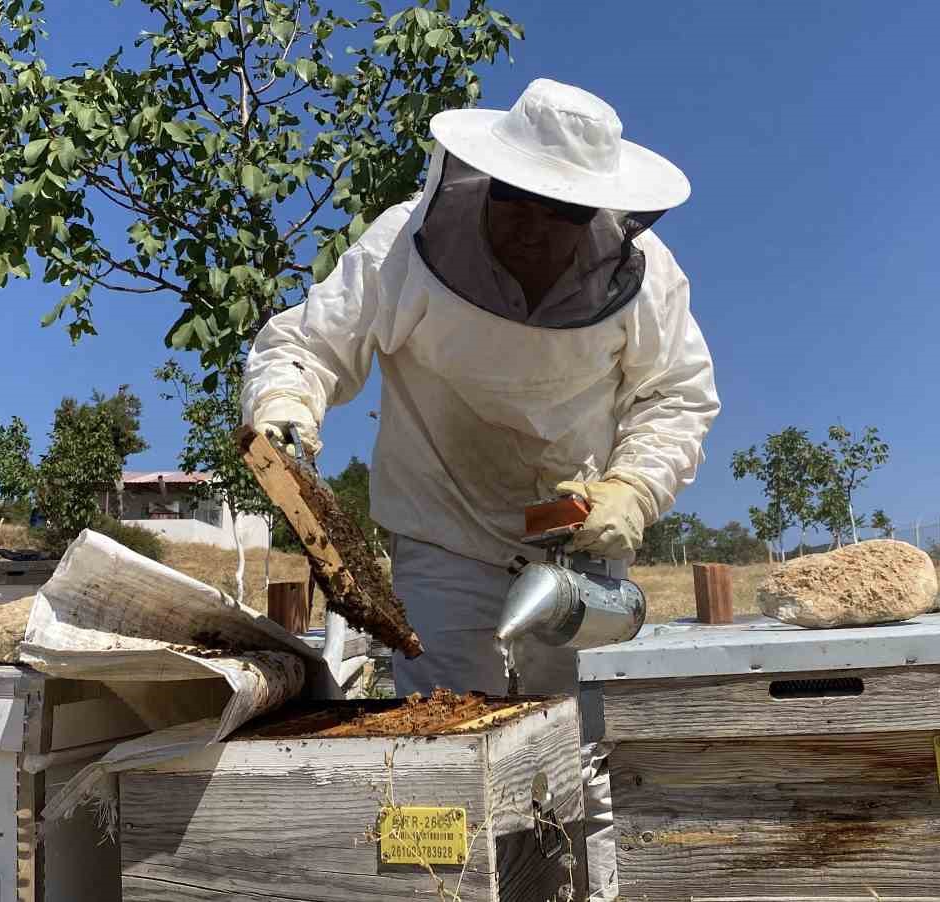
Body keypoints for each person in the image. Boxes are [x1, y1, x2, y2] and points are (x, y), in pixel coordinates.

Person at [242, 79, 718, 899]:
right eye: (518, 199)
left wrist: (635, 487)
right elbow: (310, 344)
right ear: (485, 182)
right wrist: (284, 411)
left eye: (561, 211)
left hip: (575, 548)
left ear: (600, 215)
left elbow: (675, 395)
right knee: (443, 746)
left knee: (577, 753)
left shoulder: (652, 280)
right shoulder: (404, 245)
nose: (534, 227)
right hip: (442, 537)